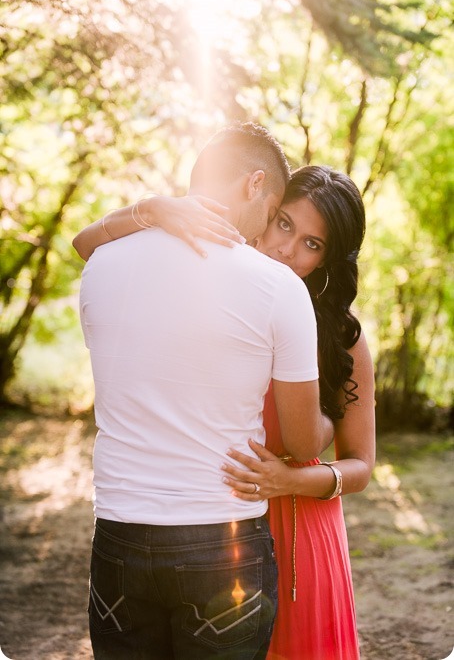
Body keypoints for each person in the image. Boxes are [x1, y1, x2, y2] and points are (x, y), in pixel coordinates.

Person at [74, 163, 375, 660]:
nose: (288, 249)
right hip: (221, 522)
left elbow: (361, 464)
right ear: (265, 210)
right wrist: (153, 210)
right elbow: (89, 247)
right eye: (284, 224)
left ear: (329, 259)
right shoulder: (225, 290)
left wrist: (291, 479)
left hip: (301, 529)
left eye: (312, 244)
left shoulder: (343, 338)